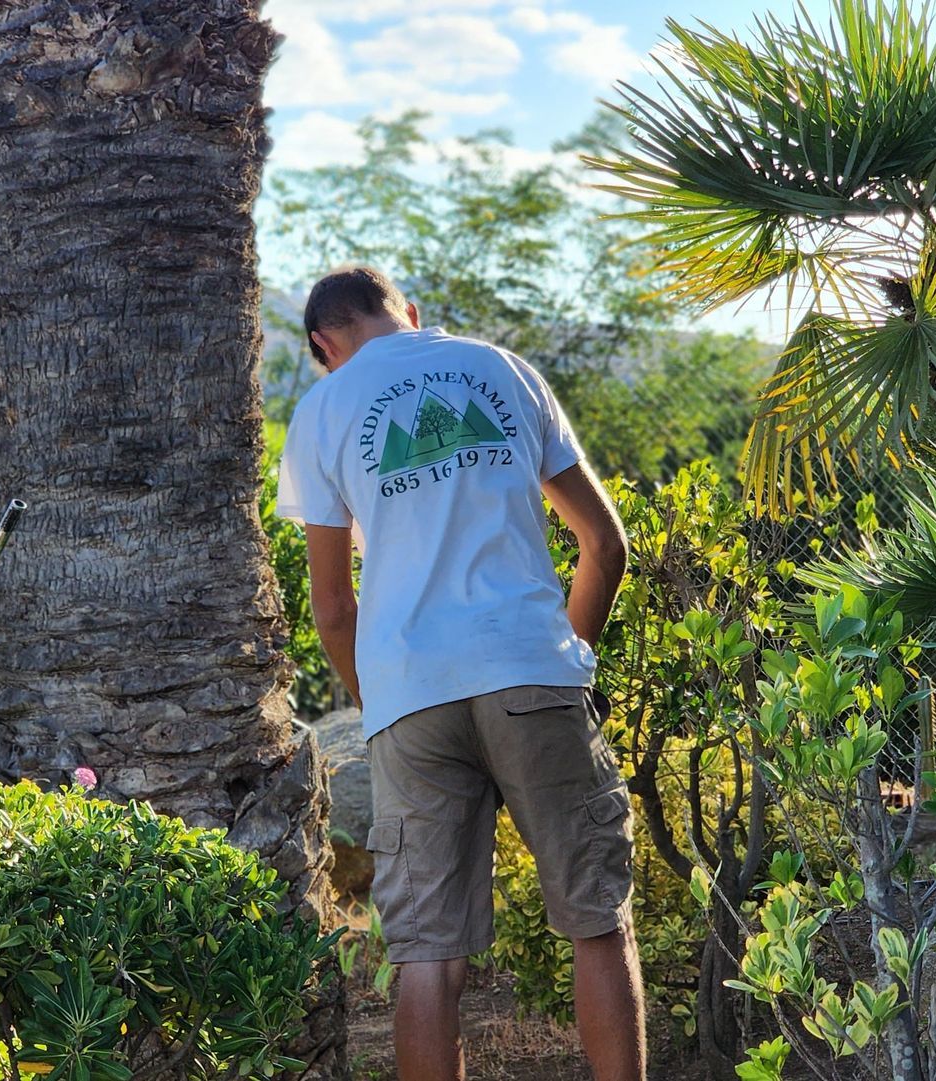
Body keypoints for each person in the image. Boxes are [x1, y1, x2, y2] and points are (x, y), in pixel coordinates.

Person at [276, 266, 643, 1081]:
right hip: (529, 672)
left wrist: (384, 705)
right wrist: (567, 658)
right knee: (595, 920)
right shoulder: (500, 369)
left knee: (427, 955)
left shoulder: (322, 410)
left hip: (410, 700)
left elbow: (333, 608)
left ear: (322, 346)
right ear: (409, 314)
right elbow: (604, 543)